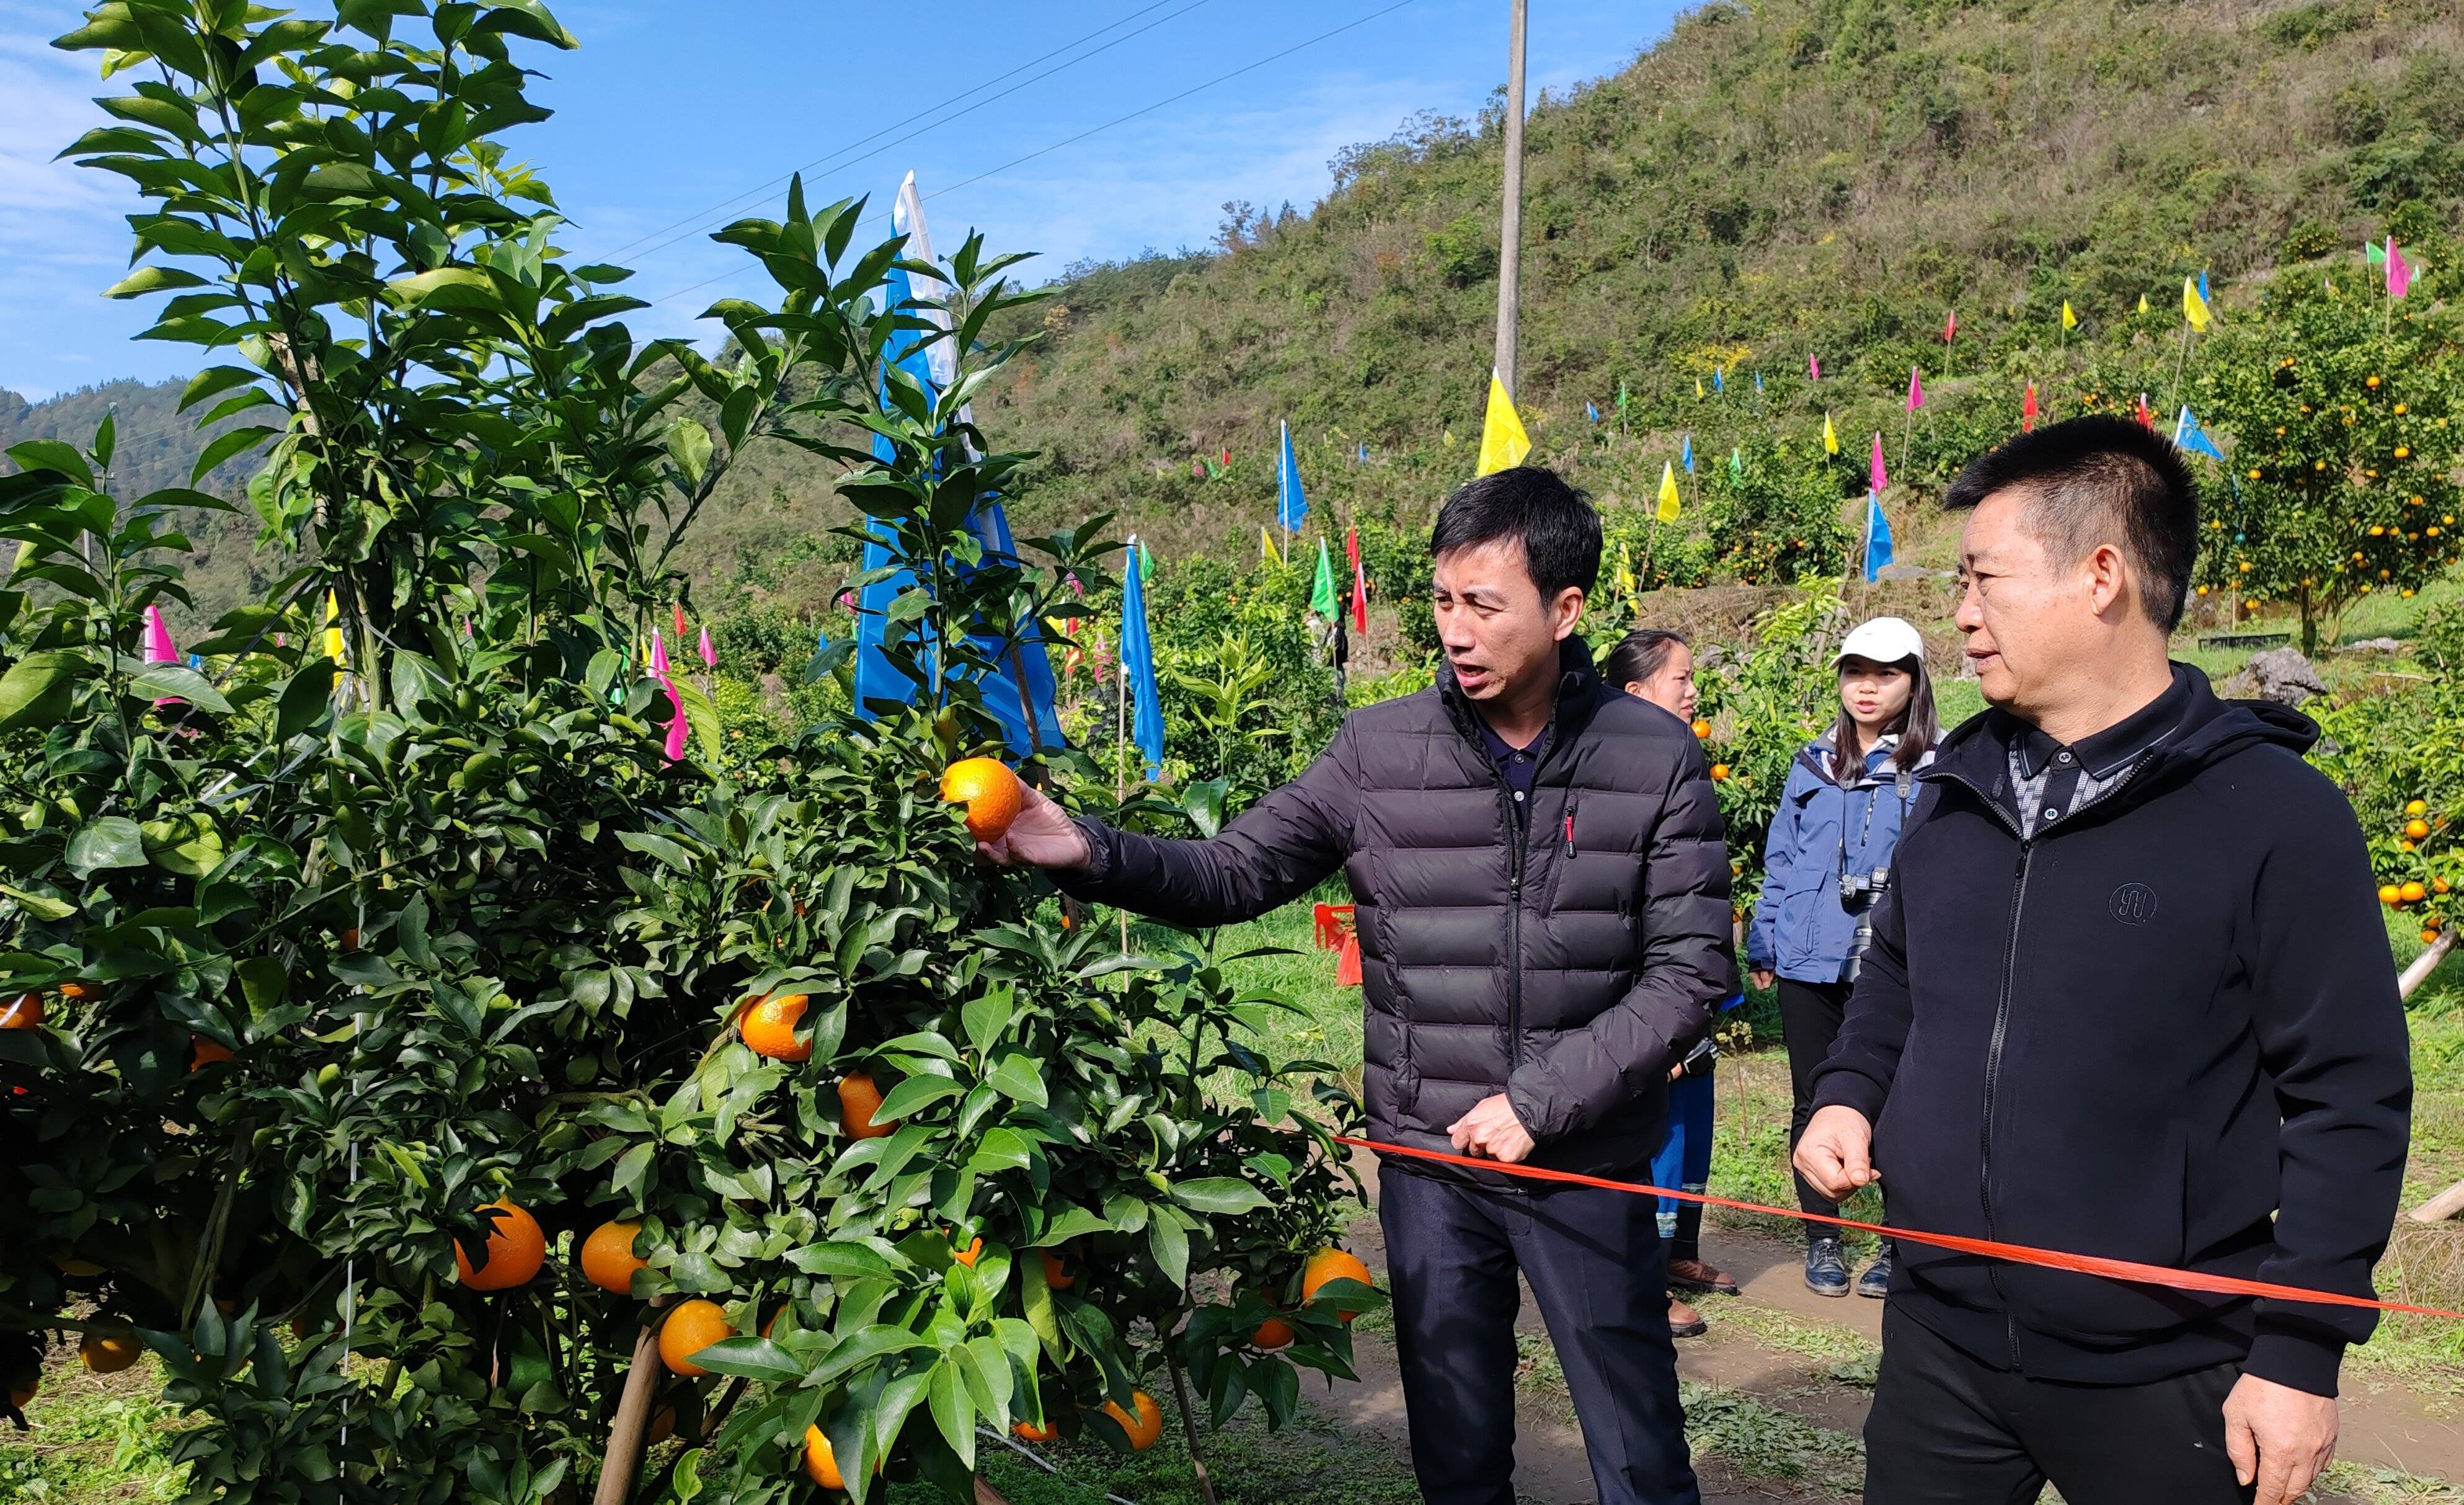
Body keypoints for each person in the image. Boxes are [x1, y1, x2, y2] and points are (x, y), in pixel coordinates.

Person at [983, 467, 1735, 1505]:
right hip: (1429, 1165)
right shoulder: (1376, 751)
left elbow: (1689, 969)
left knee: (1637, 1446)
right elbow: (1232, 872)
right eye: (1439, 601)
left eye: (1483, 604)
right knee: (1457, 1453)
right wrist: (1083, 848)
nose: (1454, 631)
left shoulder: (1648, 756)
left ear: (1563, 610)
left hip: (1586, 1158)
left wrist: (1537, 1102)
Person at [1794, 416, 2411, 1505]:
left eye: (1982, 578)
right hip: (1939, 1342)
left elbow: (2346, 1095)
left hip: (2167, 1363)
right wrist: (1846, 1096)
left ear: (2099, 577)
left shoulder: (2270, 813)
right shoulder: (1950, 789)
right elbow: (1892, 983)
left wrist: (2299, 1352)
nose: (1961, 613)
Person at [1745, 616, 1939, 1300]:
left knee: (1898, 1102)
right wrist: (1764, 939)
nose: (1866, 686)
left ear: (1913, 682)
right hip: (1808, 957)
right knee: (1811, 1098)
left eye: (1885, 673)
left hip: (1890, 964)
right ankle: (1820, 1236)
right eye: (1855, 671)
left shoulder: (1935, 769)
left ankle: (1894, 1244)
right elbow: (1781, 862)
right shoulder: (1811, 763)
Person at [1604, 628, 1739, 1338]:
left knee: (1691, 1132)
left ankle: (1678, 1254)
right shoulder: (1613, 777)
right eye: (1679, 679)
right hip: (1646, 1002)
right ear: (1634, 695)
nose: (1692, 692)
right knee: (1644, 1144)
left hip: (1689, 993)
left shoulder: (1683, 764)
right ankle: (1642, 1281)